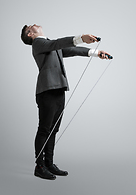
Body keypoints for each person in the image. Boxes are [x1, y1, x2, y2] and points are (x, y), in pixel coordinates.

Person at [20, 24, 111, 180]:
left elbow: (72, 50)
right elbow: (58, 44)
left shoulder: (49, 45)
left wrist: (96, 53)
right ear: (30, 34)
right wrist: (81, 38)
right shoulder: (38, 43)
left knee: (53, 130)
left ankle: (49, 163)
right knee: (45, 129)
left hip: (58, 90)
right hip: (47, 91)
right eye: (30, 26)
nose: (34, 24)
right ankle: (39, 166)